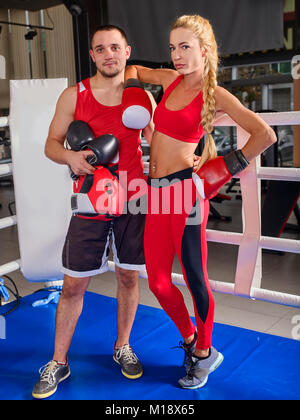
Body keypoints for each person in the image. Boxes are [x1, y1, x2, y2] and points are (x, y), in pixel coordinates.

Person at [125, 14, 277, 389]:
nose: (176, 55)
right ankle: (195, 343)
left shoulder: (215, 95)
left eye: (185, 47)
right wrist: (132, 94)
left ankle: (205, 353)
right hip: (158, 194)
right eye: (173, 47)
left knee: (195, 278)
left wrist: (224, 167)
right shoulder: (169, 79)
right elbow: (133, 69)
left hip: (186, 194)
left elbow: (265, 134)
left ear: (205, 51)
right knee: (159, 283)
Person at [32, 24, 156, 399]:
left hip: (133, 198)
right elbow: (51, 145)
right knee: (73, 285)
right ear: (92, 55)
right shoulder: (75, 95)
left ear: (127, 51)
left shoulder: (141, 99)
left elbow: (159, 142)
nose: (108, 55)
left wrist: (192, 157)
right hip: (90, 199)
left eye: (114, 48)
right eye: (100, 49)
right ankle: (58, 361)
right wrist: (69, 155)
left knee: (129, 279)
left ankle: (122, 345)